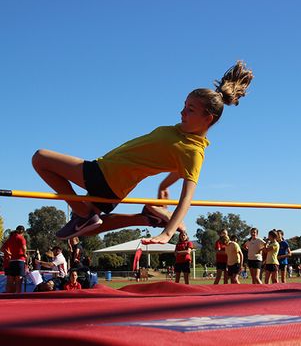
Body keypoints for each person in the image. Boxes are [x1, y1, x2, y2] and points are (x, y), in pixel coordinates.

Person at [31, 61, 253, 244]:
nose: (182, 111)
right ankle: (142, 219)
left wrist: (167, 234)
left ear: (208, 119)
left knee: (40, 158)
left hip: (106, 173)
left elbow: (187, 198)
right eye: (184, 105)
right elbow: (174, 166)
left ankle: (83, 213)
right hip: (115, 184)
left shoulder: (194, 151)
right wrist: (164, 186)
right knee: (86, 230)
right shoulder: (182, 136)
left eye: (190, 109)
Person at [1, 226, 27, 293]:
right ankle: (18, 295)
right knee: (19, 280)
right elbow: (24, 248)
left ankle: (8, 296)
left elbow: (2, 248)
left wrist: (9, 253)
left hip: (11, 261)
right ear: (23, 231)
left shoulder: (10, 238)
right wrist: (25, 254)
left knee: (10, 280)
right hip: (20, 260)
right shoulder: (21, 238)